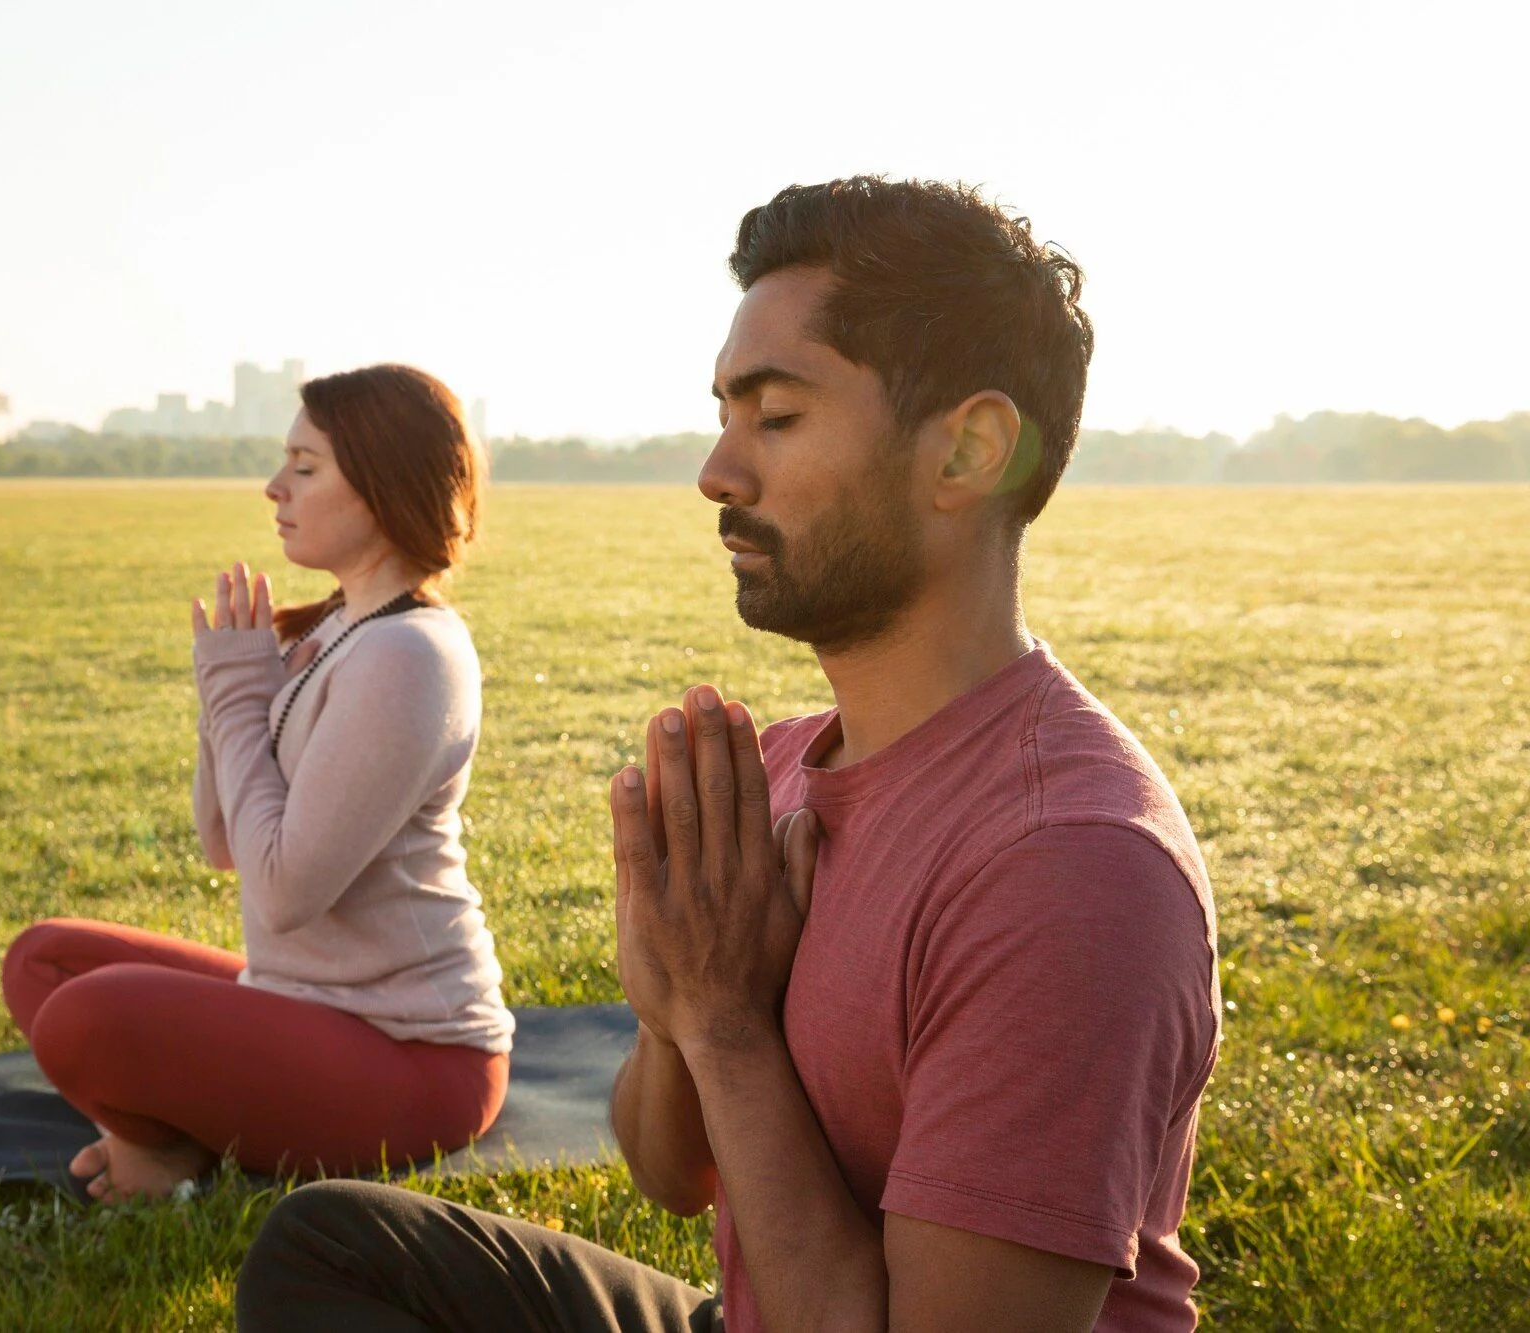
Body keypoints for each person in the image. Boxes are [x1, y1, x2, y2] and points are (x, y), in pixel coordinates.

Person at [234, 178, 1220, 1333]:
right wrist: (669, 1001)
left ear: (967, 452)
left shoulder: (1066, 866)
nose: (717, 471)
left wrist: (722, 1019)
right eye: (723, 414)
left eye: (776, 417)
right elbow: (669, 1170)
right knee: (334, 1248)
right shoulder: (787, 769)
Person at [2, 363, 512, 1201]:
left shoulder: (411, 656)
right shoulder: (337, 628)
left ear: (384, 484)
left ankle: (166, 1147)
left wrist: (240, 695)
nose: (274, 488)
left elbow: (282, 894)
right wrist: (225, 693)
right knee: (43, 960)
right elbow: (223, 846)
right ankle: (175, 1139)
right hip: (297, 1001)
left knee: (87, 1021)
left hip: (414, 1060)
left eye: (305, 468)